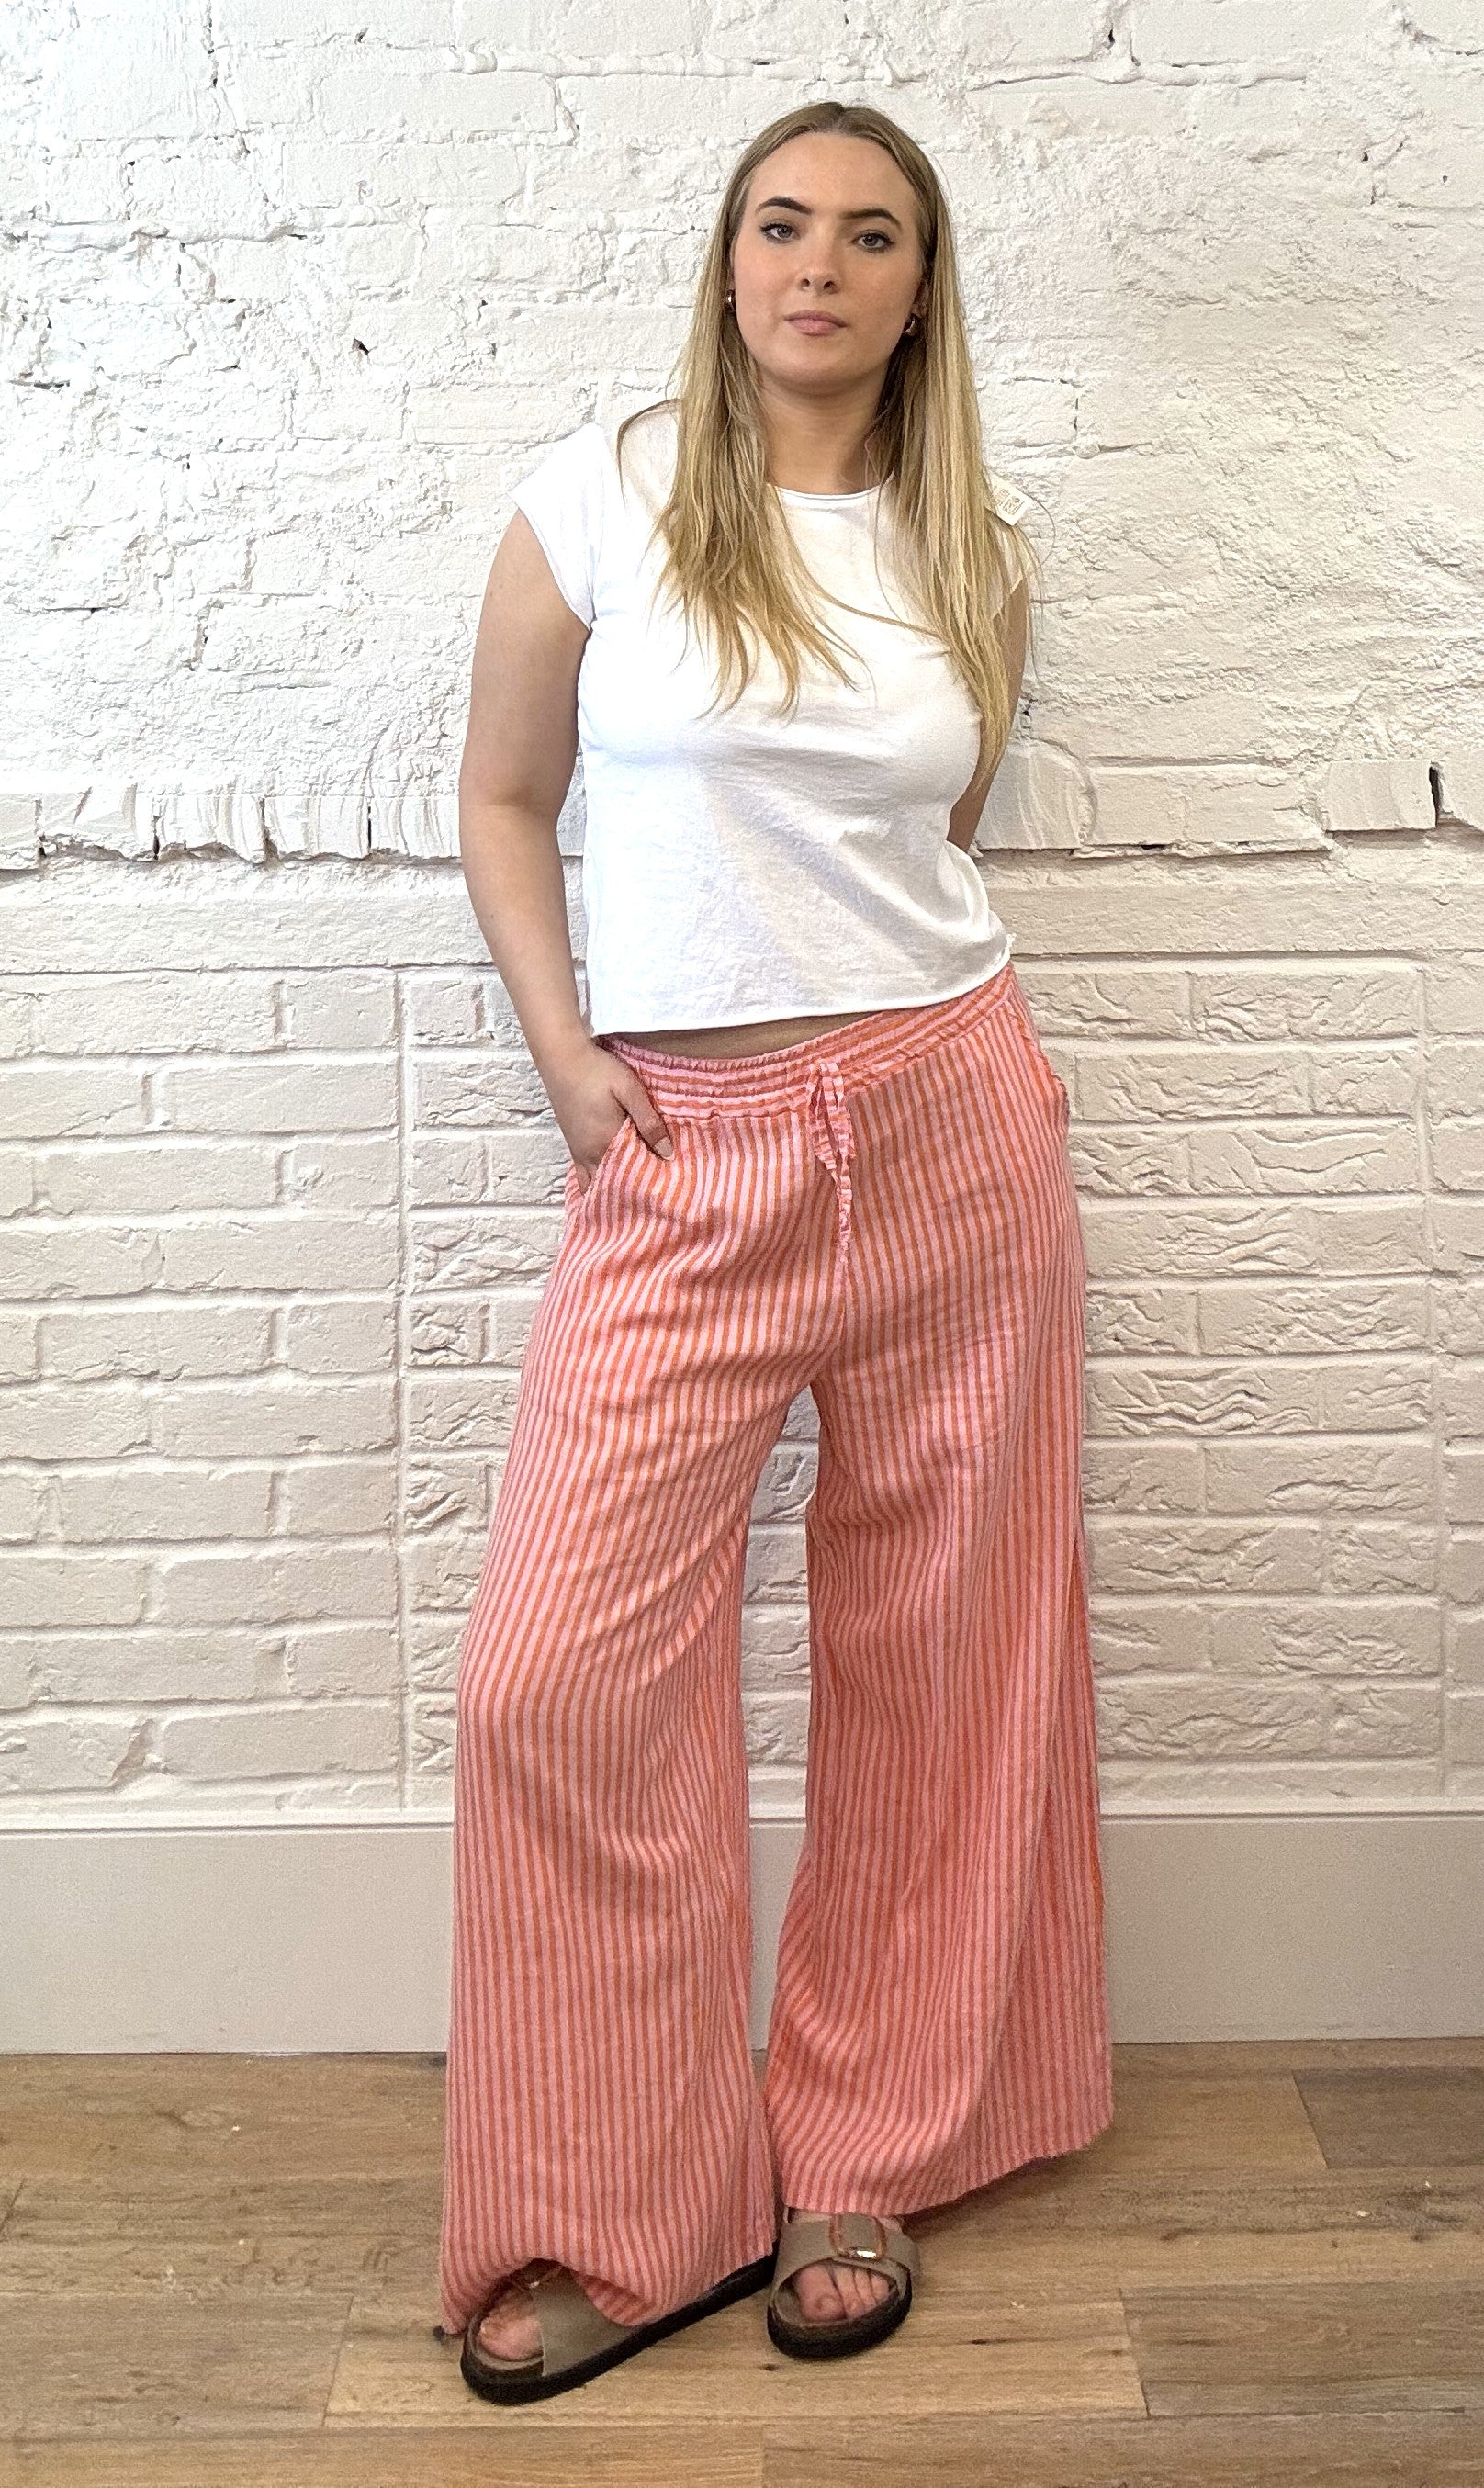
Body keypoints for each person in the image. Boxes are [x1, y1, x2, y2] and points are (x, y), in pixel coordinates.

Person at [433, 96, 1113, 2404]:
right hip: (679, 1150)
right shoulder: (599, 498)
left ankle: (863, 2150)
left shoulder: (970, 547)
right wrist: (568, 1055)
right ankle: (624, 2200)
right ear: (729, 259)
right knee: (550, 1673)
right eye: (782, 222)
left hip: (947, 1121)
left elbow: (931, 834)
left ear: (923, 290)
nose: (819, 263)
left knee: (939, 1658)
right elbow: (501, 793)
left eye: (872, 234)